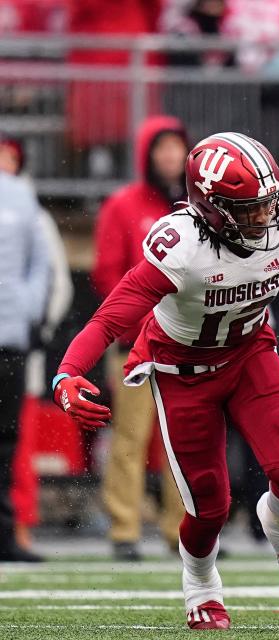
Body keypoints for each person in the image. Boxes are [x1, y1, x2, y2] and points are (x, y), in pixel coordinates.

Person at [51, 132, 279, 629]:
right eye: (249, 210)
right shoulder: (181, 247)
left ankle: (277, 521)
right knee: (209, 509)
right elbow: (109, 319)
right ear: (213, 211)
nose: (267, 218)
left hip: (250, 355)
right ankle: (201, 585)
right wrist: (68, 372)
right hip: (184, 374)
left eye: (268, 203)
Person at [91, 115, 190, 561]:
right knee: (130, 438)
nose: (170, 157)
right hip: (135, 344)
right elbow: (108, 273)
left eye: (176, 148)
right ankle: (124, 529)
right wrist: (142, 317)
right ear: (147, 155)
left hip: (185, 343)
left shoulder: (194, 207)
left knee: (184, 442)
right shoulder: (124, 205)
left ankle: (183, 530)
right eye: (161, 148)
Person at [0, 161, 50, 563]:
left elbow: (40, 261)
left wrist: (27, 310)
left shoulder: (18, 194)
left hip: (9, 337)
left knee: (6, 440)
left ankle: (3, 533)